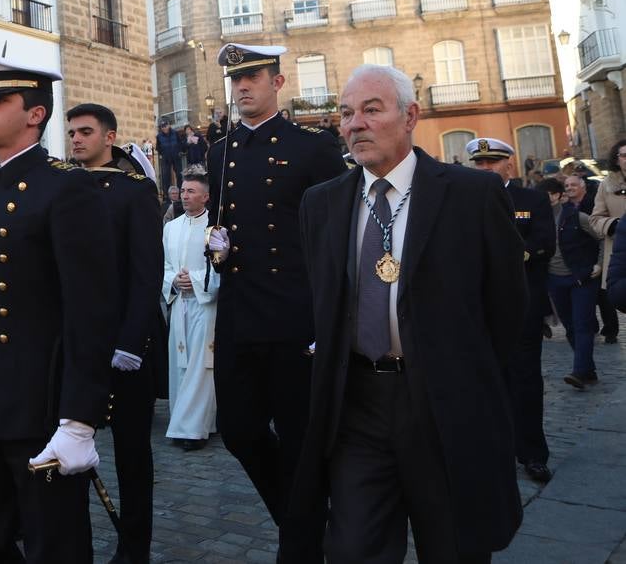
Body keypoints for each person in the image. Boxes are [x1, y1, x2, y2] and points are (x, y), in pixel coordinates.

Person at [291, 64, 526, 562]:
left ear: (410, 115)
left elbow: (508, 313)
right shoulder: (322, 204)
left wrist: (476, 389)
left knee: (453, 548)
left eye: (372, 110)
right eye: (347, 113)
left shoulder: (470, 195)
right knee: (352, 549)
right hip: (358, 405)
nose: (355, 124)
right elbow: (324, 303)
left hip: (443, 404)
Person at [0, 52, 117, 563]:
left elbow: (91, 311)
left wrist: (80, 419)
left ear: (35, 113)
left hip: (41, 403)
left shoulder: (67, 186)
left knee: (54, 545)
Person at [202, 43, 345, 547]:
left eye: (253, 78)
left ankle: (301, 543)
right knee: (239, 431)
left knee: (301, 439)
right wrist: (213, 247)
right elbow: (222, 224)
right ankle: (300, 520)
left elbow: (337, 235)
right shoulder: (220, 152)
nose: (242, 87)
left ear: (277, 84)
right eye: (236, 79)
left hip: (295, 313)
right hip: (240, 313)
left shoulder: (312, 148)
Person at [66, 102, 162, 564]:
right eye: (71, 133)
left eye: (85, 131)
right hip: (73, 343)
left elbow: (147, 273)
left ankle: (134, 546)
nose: (77, 140)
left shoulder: (134, 191)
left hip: (123, 344)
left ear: (110, 136)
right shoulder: (63, 187)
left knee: (131, 454)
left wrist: (131, 342)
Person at [468, 137, 556, 483]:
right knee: (487, 382)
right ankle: (496, 449)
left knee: (525, 380)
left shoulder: (531, 199)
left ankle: (533, 453)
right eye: (480, 163)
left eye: (493, 162)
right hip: (479, 308)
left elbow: (543, 244)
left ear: (510, 165)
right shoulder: (464, 201)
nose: (486, 169)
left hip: (522, 305)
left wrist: (503, 258)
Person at [163, 168, 218, 451]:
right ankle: (194, 420)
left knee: (200, 365)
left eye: (191, 191)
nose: (184, 196)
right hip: (180, 304)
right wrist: (173, 280)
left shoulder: (215, 227)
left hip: (204, 305)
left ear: (206, 196)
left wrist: (195, 281)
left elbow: (219, 266)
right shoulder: (170, 228)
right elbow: (164, 266)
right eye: (183, 191)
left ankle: (191, 430)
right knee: (180, 365)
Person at [554, 173, 601, 390]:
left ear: (556, 196)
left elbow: (601, 238)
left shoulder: (576, 216)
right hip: (555, 281)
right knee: (571, 326)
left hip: (581, 277)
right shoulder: (534, 217)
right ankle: (588, 369)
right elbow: (515, 216)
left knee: (582, 325)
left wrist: (599, 264)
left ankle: (579, 371)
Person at [586, 138, 626, 344]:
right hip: (620, 255)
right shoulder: (607, 185)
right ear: (617, 159)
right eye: (624, 155)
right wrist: (617, 224)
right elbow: (595, 220)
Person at [156, 120, 181, 197]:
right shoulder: (159, 136)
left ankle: (181, 193)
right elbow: (158, 147)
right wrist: (162, 154)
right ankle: (166, 196)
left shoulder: (175, 133)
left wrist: (178, 151)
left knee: (179, 175)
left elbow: (180, 143)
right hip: (166, 157)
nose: (164, 128)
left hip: (176, 156)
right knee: (165, 176)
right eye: (162, 127)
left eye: (165, 126)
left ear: (169, 125)